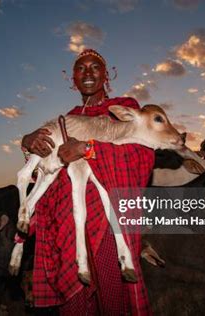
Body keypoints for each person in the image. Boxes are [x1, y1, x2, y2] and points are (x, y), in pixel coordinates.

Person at [21, 49, 154, 315]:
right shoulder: (65, 119)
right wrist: (28, 143)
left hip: (106, 217)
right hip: (65, 218)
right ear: (73, 79)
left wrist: (88, 149)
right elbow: (43, 168)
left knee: (110, 290)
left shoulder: (124, 110)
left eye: (95, 67)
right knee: (74, 298)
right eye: (81, 68)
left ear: (107, 75)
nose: (89, 72)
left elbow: (143, 154)